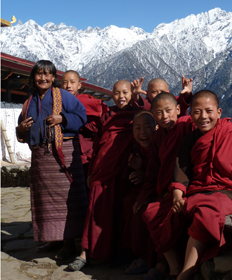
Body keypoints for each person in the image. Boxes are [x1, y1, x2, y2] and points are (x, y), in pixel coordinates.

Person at [162, 90, 232, 280]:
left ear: (219, 112)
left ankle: (185, 274)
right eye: (197, 112)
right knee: (166, 212)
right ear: (190, 115)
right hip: (200, 190)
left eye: (209, 111)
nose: (203, 117)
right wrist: (177, 192)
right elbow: (181, 168)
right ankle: (164, 265)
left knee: (206, 211)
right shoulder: (190, 140)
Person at [16, 60, 88, 260]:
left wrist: (62, 119)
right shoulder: (28, 102)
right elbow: (20, 133)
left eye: (47, 74)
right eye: (39, 74)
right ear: (33, 77)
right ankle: (53, 239)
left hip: (62, 152)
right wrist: (21, 129)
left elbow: (82, 116)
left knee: (66, 200)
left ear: (53, 77)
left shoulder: (63, 96)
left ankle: (68, 244)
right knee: (45, 201)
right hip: (41, 157)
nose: (43, 78)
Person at [69, 80, 142, 271]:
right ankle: (84, 253)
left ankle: (111, 253)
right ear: (112, 95)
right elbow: (99, 143)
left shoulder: (137, 115)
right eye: (117, 93)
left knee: (116, 213)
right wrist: (92, 170)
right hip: (102, 169)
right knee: (94, 210)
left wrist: (137, 97)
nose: (121, 97)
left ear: (131, 93)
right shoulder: (107, 115)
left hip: (123, 172)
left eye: (125, 92)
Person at [137, 92, 195, 280]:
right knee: (148, 211)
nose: (165, 117)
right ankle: (173, 265)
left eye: (169, 111)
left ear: (178, 110)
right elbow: (153, 170)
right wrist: (143, 196)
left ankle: (171, 267)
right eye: (159, 113)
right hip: (167, 190)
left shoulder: (187, 125)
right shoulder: (159, 137)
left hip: (191, 186)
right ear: (153, 115)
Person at [121, 111, 158, 275]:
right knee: (128, 201)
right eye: (137, 128)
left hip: (161, 192)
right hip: (145, 188)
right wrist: (138, 171)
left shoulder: (162, 145)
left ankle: (147, 259)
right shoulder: (136, 148)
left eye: (147, 127)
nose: (142, 133)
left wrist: (143, 173)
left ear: (156, 127)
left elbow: (166, 173)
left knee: (142, 209)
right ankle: (132, 253)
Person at [61, 71, 108, 171]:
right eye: (65, 82)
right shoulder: (56, 103)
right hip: (63, 149)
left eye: (72, 82)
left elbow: (98, 123)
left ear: (79, 85)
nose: (68, 85)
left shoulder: (85, 101)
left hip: (85, 151)